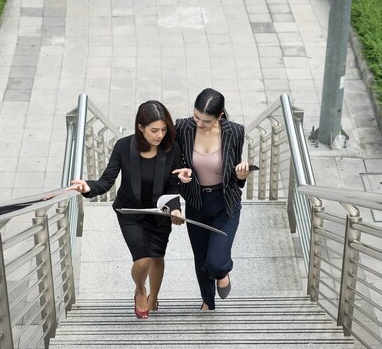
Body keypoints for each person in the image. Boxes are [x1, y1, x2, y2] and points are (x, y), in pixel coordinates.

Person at [68, 100, 184, 319]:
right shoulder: (123, 146)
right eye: (154, 130)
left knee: (158, 257)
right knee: (143, 260)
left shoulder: (172, 149)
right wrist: (87, 187)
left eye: (163, 129)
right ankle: (140, 289)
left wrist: (175, 210)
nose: (159, 135)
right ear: (140, 127)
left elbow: (172, 185)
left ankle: (154, 297)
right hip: (131, 213)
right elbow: (106, 181)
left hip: (160, 213)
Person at [172, 88, 251, 311]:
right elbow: (175, 161)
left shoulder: (235, 132)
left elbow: (233, 174)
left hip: (225, 203)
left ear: (220, 116)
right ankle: (207, 301)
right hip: (197, 201)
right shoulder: (183, 127)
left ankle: (221, 271)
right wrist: (183, 176)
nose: (198, 123)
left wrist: (241, 176)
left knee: (215, 261)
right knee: (200, 257)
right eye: (196, 116)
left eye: (205, 120)